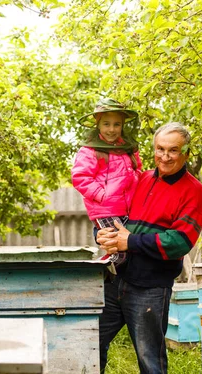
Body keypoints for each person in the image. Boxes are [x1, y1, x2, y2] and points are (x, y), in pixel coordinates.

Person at [96, 122, 202, 374]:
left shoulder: (194, 190)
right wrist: (104, 234)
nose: (165, 156)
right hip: (116, 279)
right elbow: (118, 218)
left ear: (185, 154)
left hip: (150, 289)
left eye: (173, 150)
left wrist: (130, 241)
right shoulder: (143, 179)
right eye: (160, 149)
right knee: (87, 342)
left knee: (150, 360)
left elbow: (179, 242)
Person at [71, 98, 142, 267]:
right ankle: (97, 274)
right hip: (106, 209)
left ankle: (107, 277)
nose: (112, 129)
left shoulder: (128, 148)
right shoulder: (89, 150)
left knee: (125, 247)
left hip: (128, 208)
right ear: (98, 124)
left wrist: (135, 186)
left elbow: (138, 169)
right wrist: (103, 195)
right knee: (117, 250)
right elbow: (80, 177)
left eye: (117, 124)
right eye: (106, 124)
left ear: (123, 125)